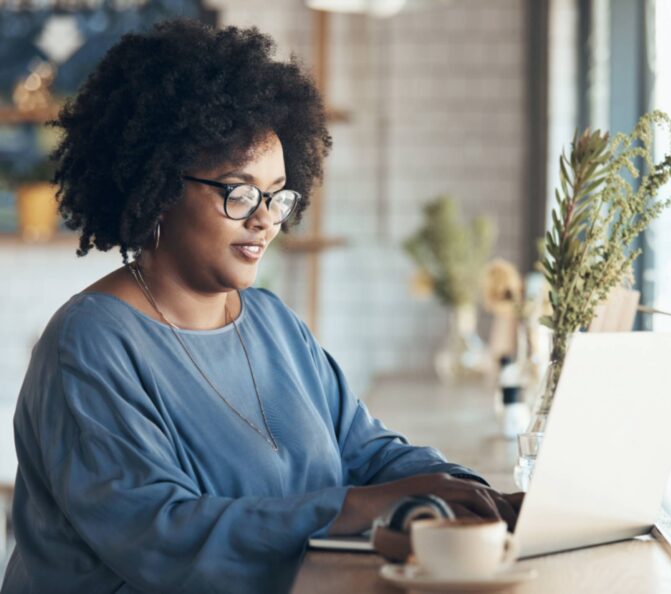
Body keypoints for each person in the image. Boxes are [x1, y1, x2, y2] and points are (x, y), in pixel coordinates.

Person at [1, 19, 522, 594]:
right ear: (159, 188)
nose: (266, 218)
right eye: (240, 191)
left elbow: (368, 453)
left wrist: (475, 493)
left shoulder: (274, 324)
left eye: (277, 195)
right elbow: (161, 536)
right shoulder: (89, 343)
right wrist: (360, 506)